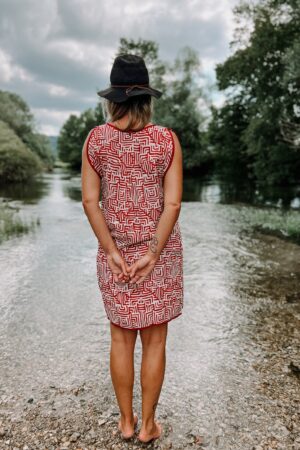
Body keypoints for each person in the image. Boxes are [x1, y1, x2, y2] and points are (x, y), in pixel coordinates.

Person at [81, 54, 184, 444]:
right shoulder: (166, 139)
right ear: (146, 98)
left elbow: (91, 202)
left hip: (117, 253)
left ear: (112, 99)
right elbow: (172, 204)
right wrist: (154, 254)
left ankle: (125, 422)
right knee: (155, 340)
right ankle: (148, 427)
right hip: (159, 254)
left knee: (120, 339)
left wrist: (110, 250)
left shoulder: (95, 139)